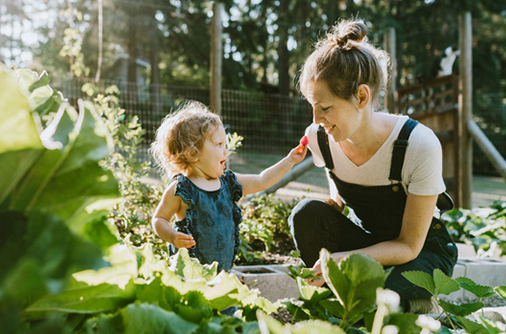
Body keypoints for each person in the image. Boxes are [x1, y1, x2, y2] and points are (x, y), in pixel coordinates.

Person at [288, 19, 458, 313]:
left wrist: (349, 260)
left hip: (420, 255)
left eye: (325, 107)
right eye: (312, 105)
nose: (316, 119)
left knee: (375, 285)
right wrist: (336, 205)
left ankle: (416, 303)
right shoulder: (321, 138)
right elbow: (339, 181)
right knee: (306, 214)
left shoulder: (418, 144)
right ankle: (360, 299)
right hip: (371, 243)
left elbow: (408, 246)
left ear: (362, 96)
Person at [150, 101, 307, 272]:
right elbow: (159, 219)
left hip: (223, 270)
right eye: (219, 145)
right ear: (193, 152)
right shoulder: (181, 189)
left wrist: (290, 160)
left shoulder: (228, 182)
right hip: (189, 271)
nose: (226, 151)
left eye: (225, 145)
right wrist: (172, 236)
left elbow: (262, 180)